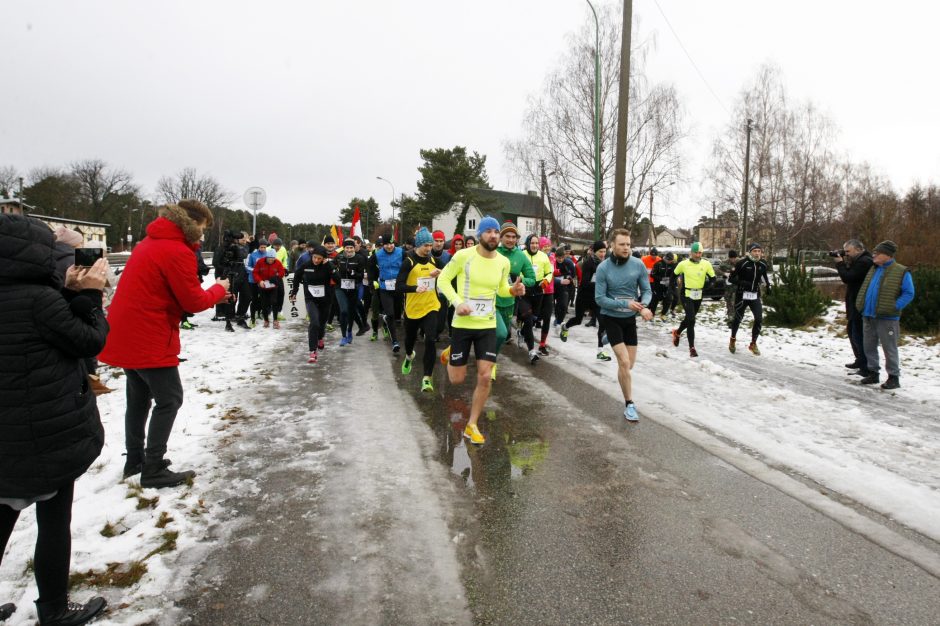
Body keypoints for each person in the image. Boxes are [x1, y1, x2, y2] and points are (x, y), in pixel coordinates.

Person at [0, 213, 109, 625]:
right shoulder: (39, 300)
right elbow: (90, 339)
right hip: (46, 432)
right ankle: (54, 608)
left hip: (4, 438)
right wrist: (91, 298)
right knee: (53, 522)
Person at [99, 200, 230, 489]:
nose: (203, 235)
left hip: (126, 333)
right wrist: (219, 289)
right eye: (203, 228)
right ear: (192, 223)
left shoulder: (149, 242)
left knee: (138, 400)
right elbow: (193, 301)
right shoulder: (176, 250)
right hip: (149, 335)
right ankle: (153, 468)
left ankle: (135, 460)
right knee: (170, 399)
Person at [437, 217, 525, 445]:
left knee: (485, 376)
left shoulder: (503, 262)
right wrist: (457, 303)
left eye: (496, 232)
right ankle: (450, 353)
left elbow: (501, 290)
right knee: (457, 379)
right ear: (479, 235)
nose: (494, 235)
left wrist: (513, 290)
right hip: (463, 324)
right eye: (488, 231)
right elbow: (443, 281)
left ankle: (472, 425)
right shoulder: (463, 256)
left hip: (487, 324)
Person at [594, 229, 653, 421]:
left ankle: (607, 340)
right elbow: (600, 299)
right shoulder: (603, 268)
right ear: (612, 245)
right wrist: (625, 303)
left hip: (629, 320)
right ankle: (630, 404)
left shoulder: (638, 265)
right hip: (610, 318)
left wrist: (643, 306)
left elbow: (646, 291)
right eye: (622, 244)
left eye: (628, 244)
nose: (626, 248)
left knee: (629, 365)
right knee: (624, 362)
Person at [856, 240, 915, 389]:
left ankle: (893, 377)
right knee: (868, 346)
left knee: (889, 348)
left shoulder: (901, 271)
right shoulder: (874, 269)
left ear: (888, 255)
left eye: (878, 252)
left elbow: (909, 293)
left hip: (887, 318)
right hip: (868, 315)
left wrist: (895, 306)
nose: (874, 254)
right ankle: (873, 373)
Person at [397, 228, 444, 392]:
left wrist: (441, 272)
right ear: (418, 245)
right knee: (410, 340)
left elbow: (448, 274)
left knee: (430, 340)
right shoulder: (408, 262)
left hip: (431, 305)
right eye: (426, 245)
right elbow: (399, 286)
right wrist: (414, 288)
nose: (429, 248)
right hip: (413, 308)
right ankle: (409, 355)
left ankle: (427, 378)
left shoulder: (434, 260)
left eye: (431, 245)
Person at [495, 222, 537, 370]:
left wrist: (518, 280)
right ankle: (489, 361)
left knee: (504, 333)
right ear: (501, 237)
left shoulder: (520, 256)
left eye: (514, 237)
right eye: (507, 236)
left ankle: (489, 356)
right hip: (491, 301)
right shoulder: (494, 251)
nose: (511, 240)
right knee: (498, 333)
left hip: (509, 303)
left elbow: (532, 278)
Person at [290, 245, 335, 363]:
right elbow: (296, 276)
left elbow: (338, 279)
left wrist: (329, 266)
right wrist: (294, 292)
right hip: (311, 299)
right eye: (314, 257)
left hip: (326, 299)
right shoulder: (306, 266)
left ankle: (320, 337)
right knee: (314, 323)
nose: (316, 260)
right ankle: (312, 351)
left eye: (319, 258)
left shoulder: (327, 266)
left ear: (323, 258)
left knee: (322, 322)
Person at [835, 239, 874, 372]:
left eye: (848, 251)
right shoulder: (859, 261)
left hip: (860, 303)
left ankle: (865, 364)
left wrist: (840, 263)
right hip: (854, 302)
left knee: (858, 334)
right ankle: (860, 360)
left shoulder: (865, 262)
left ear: (858, 249)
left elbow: (848, 277)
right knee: (852, 332)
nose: (846, 254)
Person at [671, 242, 715, 357]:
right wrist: (672, 288)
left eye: (700, 252)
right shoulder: (683, 264)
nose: (698, 254)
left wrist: (709, 285)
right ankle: (692, 348)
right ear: (691, 252)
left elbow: (713, 278)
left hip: (698, 295)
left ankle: (677, 332)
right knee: (692, 320)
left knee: (689, 318)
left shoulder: (706, 264)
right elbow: (673, 275)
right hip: (686, 294)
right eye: (696, 252)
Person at [561, 240, 606, 351]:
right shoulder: (588, 263)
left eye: (604, 251)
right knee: (578, 320)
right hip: (584, 296)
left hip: (596, 298)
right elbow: (584, 283)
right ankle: (565, 327)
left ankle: (600, 350)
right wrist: (600, 284)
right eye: (600, 251)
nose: (603, 254)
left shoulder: (604, 263)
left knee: (602, 322)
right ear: (595, 251)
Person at [728, 243, 771, 355]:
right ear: (750, 252)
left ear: (761, 252)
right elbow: (731, 278)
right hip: (742, 295)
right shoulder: (742, 263)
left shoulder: (763, 264)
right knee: (738, 318)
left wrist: (768, 286)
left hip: (754, 295)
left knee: (759, 318)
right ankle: (732, 339)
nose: (757, 253)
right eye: (755, 251)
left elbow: (764, 276)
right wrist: (743, 283)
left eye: (759, 251)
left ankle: (753, 343)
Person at [525, 234, 557, 355]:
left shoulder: (552, 258)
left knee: (547, 318)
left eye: (548, 246)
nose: (547, 248)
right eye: (544, 246)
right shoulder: (531, 256)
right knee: (534, 318)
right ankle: (525, 333)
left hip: (549, 291)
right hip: (536, 291)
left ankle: (542, 344)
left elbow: (552, 273)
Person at [370, 235, 403, 352]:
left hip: (398, 288)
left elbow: (409, 266)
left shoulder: (401, 252)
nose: (389, 246)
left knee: (397, 315)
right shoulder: (378, 255)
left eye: (391, 243)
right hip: (385, 288)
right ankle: (394, 341)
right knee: (390, 314)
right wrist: (372, 282)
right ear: (383, 245)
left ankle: (385, 318)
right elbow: (370, 268)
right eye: (386, 244)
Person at [333, 238, 367, 345]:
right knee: (343, 311)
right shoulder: (339, 257)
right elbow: (332, 269)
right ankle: (343, 336)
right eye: (347, 247)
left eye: (351, 247)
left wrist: (353, 273)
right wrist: (336, 275)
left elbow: (361, 275)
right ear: (344, 248)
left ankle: (349, 332)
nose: (349, 250)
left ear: (354, 248)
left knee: (351, 311)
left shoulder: (359, 258)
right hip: (340, 288)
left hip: (353, 287)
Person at [252, 248, 286, 329]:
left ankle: (275, 320)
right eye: (269, 259)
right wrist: (259, 281)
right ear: (266, 258)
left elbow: (282, 272)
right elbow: (255, 272)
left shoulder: (277, 262)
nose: (270, 261)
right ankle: (266, 320)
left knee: (274, 302)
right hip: (263, 286)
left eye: (272, 259)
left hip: (273, 286)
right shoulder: (260, 262)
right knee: (264, 303)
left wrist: (277, 276)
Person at [718, 249, 739, 324]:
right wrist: (724, 273)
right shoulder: (725, 263)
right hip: (727, 288)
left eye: (734, 258)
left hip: (736, 287)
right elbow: (717, 270)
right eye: (731, 258)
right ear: (729, 257)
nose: (733, 259)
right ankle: (730, 317)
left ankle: (733, 319)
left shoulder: (739, 263)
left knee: (734, 303)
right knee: (729, 303)